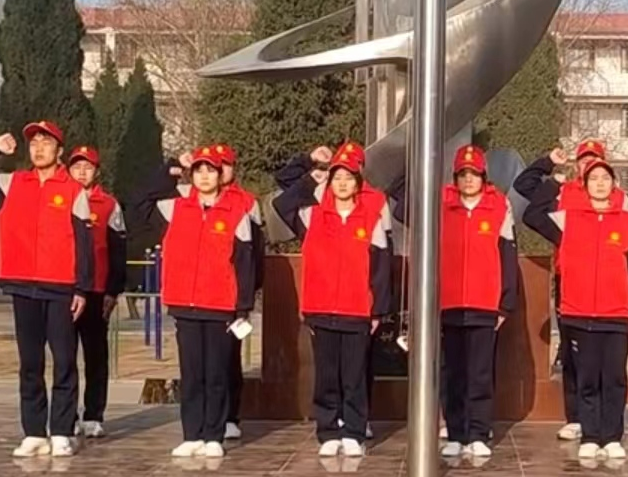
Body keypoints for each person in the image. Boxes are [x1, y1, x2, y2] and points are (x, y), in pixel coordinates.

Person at [0, 121, 92, 458]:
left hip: (61, 288)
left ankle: (61, 430)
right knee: (30, 363)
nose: (38, 148)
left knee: (64, 361)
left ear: (59, 151)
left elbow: (84, 243)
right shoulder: (13, 183)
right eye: (33, 142)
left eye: (46, 143)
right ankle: (34, 431)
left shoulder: (74, 191)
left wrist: (82, 288)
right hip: (23, 285)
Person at [392, 145, 518, 459]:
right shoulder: (439, 203)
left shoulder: (499, 205)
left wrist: (505, 303)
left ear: (484, 176)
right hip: (448, 303)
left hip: (484, 304)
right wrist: (417, 168)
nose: (468, 180)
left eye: (474, 174)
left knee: (480, 373)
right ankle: (456, 432)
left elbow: (508, 254)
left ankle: (478, 433)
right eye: (463, 174)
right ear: (455, 177)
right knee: (452, 373)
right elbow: (401, 207)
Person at [130, 146, 256, 458]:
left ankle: (214, 435)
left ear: (220, 175)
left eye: (210, 170)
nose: (204, 176)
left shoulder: (236, 212)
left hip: (220, 305)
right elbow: (139, 201)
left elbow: (245, 263)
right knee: (191, 374)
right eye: (198, 170)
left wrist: (242, 306)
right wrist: (172, 168)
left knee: (216, 374)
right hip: (184, 303)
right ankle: (192, 434)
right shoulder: (175, 208)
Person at [523, 154, 628, 462]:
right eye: (593, 179)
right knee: (587, 378)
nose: (600, 184)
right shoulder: (568, 220)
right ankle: (591, 436)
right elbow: (533, 215)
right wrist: (553, 182)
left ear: (614, 184)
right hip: (578, 313)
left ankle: (612, 436)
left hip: (616, 314)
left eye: (605, 178)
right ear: (585, 184)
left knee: (614, 378)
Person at [272, 141, 392, 458]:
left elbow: (381, 267)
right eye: (337, 177)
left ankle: (354, 431)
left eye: (348, 178)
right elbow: (283, 204)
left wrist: (378, 310)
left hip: (357, 310)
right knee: (326, 375)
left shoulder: (370, 218)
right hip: (321, 308)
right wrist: (312, 175)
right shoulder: (312, 216)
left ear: (358, 182)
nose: (342, 183)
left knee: (354, 376)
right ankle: (327, 431)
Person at [513, 139, 607, 442]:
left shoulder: (613, 197)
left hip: (604, 281)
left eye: (593, 159)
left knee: (604, 352)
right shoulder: (563, 193)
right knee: (571, 349)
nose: (587, 164)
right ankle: (576, 416)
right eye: (583, 159)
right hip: (570, 278)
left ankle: (603, 417)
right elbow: (524, 187)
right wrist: (549, 164)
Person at [66, 145, 126, 438]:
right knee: (65, 357)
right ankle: (67, 416)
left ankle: (93, 414)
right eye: (76, 167)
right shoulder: (59, 200)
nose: (81, 172)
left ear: (96, 172)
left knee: (96, 357)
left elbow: (118, 251)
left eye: (87, 167)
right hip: (65, 290)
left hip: (96, 291)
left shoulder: (109, 205)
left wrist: (113, 291)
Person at [215, 143, 265, 442]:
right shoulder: (190, 199)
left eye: (226, 165)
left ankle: (230, 415)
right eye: (216, 165)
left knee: (229, 358)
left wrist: (249, 291)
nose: (221, 171)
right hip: (203, 293)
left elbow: (254, 251)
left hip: (233, 293)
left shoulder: (247, 202)